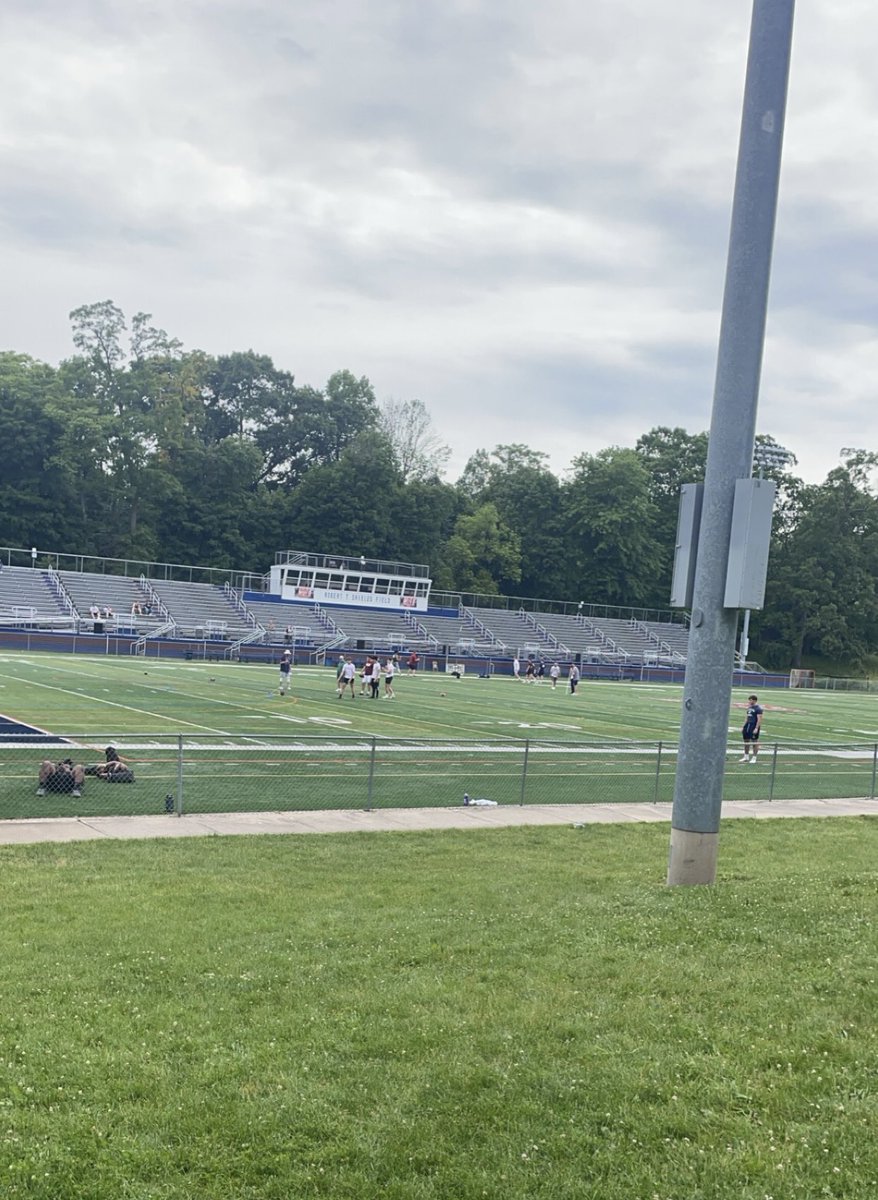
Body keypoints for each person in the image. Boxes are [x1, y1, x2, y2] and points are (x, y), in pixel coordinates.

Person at [740, 694, 764, 762]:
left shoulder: (758, 709)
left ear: (755, 700)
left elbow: (759, 719)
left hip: (753, 726)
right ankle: (746, 756)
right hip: (747, 725)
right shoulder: (749, 708)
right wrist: (743, 726)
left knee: (754, 742)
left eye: (751, 700)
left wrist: (756, 728)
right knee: (746, 741)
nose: (750, 701)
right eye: (749, 700)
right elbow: (747, 717)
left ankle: (754, 757)